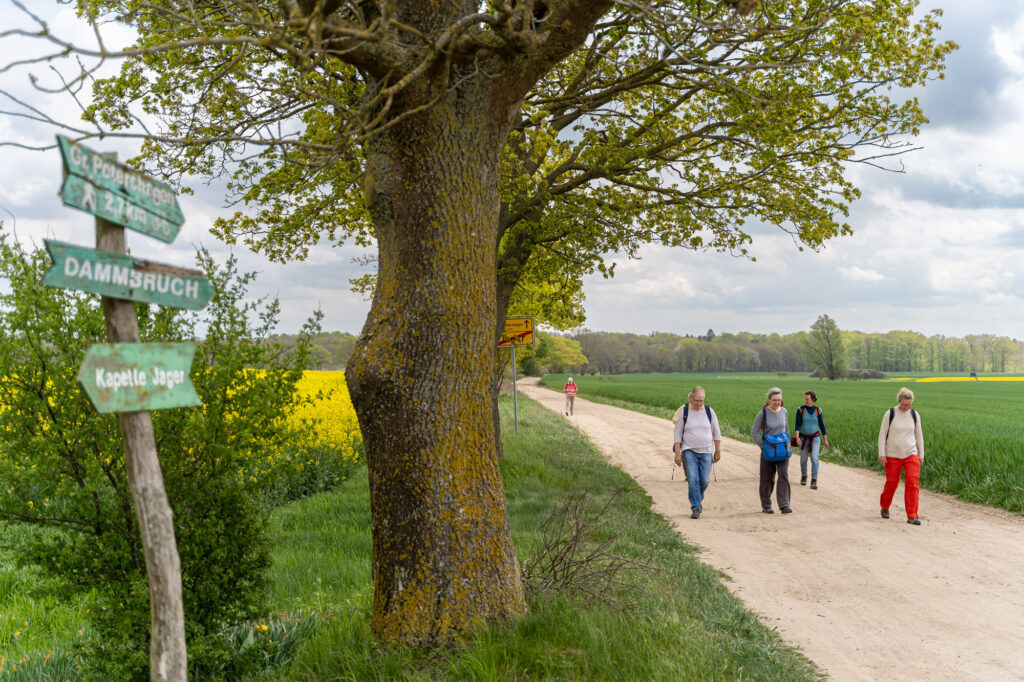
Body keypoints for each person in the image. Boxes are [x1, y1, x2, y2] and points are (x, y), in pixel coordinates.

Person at [672, 386, 722, 520]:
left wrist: (717, 450)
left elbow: (716, 432)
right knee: (693, 480)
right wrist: (677, 453)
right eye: (697, 400)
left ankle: (697, 499)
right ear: (691, 398)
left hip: (706, 451)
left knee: (704, 481)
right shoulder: (685, 412)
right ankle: (696, 507)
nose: (699, 403)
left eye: (702, 400)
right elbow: (677, 434)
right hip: (689, 451)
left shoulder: (709, 411)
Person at [878, 387, 925, 525]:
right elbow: (882, 434)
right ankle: (885, 506)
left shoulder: (915, 415)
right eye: (904, 405)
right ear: (899, 401)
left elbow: (919, 435)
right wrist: (882, 453)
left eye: (909, 405)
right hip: (892, 454)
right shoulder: (890, 413)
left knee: (912, 483)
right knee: (892, 482)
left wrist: (921, 454)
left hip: (911, 453)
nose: (906, 407)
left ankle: (912, 515)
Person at [751, 387, 792, 514]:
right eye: (774, 400)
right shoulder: (763, 413)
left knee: (783, 475)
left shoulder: (784, 411)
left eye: (779, 400)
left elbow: (787, 430)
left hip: (782, 450)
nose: (777, 402)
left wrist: (788, 446)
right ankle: (766, 505)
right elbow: (754, 432)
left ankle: (784, 505)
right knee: (767, 478)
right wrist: (762, 445)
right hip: (768, 451)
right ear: (769, 400)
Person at [795, 390, 830, 489]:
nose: (805, 401)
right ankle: (804, 476)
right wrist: (797, 438)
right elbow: (797, 425)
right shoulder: (800, 410)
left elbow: (822, 426)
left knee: (814, 458)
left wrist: (825, 440)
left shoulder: (818, 410)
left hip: (815, 438)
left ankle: (814, 480)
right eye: (805, 399)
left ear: (813, 399)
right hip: (803, 438)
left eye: (807, 399)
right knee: (803, 458)